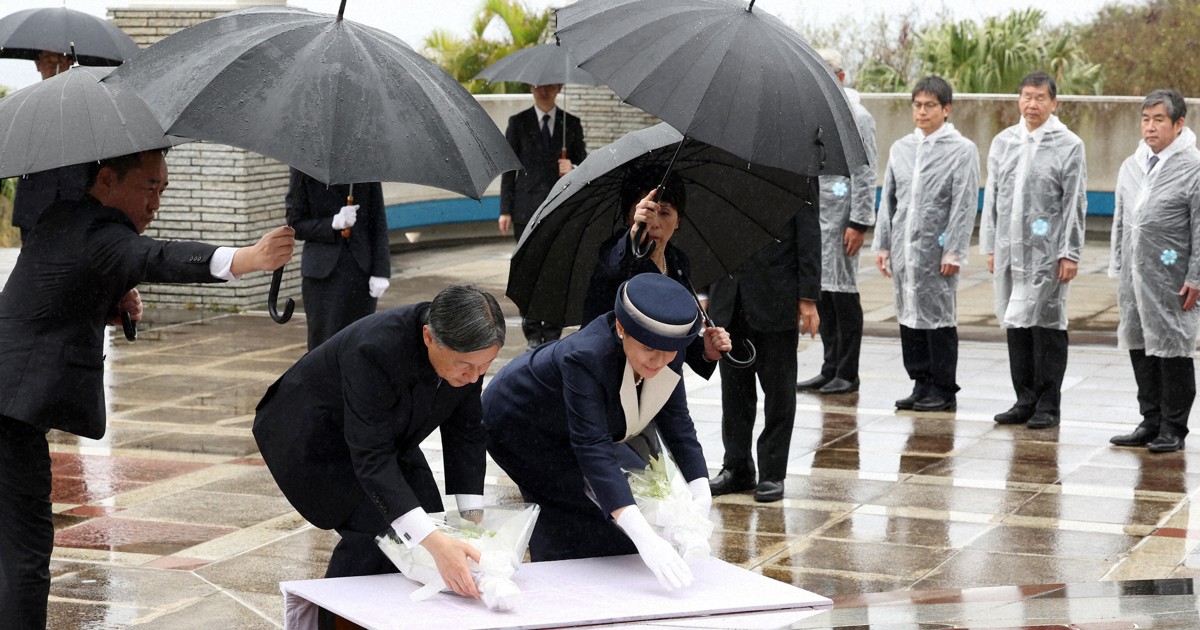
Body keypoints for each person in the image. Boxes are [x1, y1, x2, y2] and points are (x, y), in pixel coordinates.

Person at [0, 148, 295, 630]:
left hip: (10, 401)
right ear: (109, 180)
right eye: (149, 187)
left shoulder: (63, 216)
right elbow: (157, 256)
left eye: (164, 189)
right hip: (8, 410)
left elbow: (59, 288)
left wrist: (106, 298)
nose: (156, 201)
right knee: (25, 560)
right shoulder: (104, 235)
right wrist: (247, 258)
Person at [253, 285, 505, 606]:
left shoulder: (469, 351)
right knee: (379, 533)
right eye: (465, 366)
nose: (474, 377)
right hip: (313, 435)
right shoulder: (375, 349)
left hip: (383, 431)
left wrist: (471, 518)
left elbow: (466, 429)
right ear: (429, 337)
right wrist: (434, 543)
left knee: (429, 519)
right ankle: (335, 619)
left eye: (484, 366)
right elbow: (371, 457)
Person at [483, 273, 710, 592]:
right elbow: (592, 447)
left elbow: (678, 423)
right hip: (519, 422)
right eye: (648, 349)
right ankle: (561, 590)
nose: (659, 361)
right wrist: (645, 539)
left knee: (619, 510)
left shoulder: (668, 346)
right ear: (620, 329)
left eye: (668, 352)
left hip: (578, 424)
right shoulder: (586, 356)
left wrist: (702, 495)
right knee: (569, 510)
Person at [980, 72, 1087, 430]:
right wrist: (992, 246)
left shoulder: (1069, 145)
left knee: (1047, 326)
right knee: (1017, 325)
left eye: (1040, 98)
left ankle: (1048, 404)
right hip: (1011, 251)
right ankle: (1023, 398)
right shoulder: (1004, 142)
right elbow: (992, 198)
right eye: (1027, 96)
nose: (1032, 104)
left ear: (1054, 103)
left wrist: (1069, 252)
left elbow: (1075, 202)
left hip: (1048, 253)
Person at [707, 180, 822, 503]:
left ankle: (773, 472)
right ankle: (737, 468)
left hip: (776, 295)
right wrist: (704, 292)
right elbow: (711, 230)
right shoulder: (723, 165)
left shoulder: (795, 170)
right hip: (730, 298)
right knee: (735, 393)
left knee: (779, 392)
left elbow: (810, 234)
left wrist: (808, 297)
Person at [873, 76, 980, 413]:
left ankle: (943, 388)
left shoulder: (962, 150)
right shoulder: (902, 148)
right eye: (917, 105)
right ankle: (920, 382)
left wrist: (954, 251)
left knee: (938, 319)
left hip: (937, 250)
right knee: (908, 315)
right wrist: (883, 245)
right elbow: (888, 200)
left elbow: (963, 204)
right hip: (905, 246)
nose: (922, 112)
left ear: (946, 109)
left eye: (930, 105)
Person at [1108, 89, 1200, 453]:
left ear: (1178, 124)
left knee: (1172, 347)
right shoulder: (1132, 164)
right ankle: (1150, 419)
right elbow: (1121, 220)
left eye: (1159, 120)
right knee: (1140, 342)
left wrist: (1196, 275)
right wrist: (1117, 263)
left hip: (1173, 274)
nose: (1150, 127)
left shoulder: (1194, 167)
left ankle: (1173, 426)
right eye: (1145, 120)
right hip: (1135, 274)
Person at [582, 168, 731, 379]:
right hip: (607, 370)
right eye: (648, 212)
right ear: (629, 217)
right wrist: (634, 236)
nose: (654, 223)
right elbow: (615, 265)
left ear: (678, 221)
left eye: (665, 213)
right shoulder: (614, 251)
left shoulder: (678, 261)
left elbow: (671, 332)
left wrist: (706, 352)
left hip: (658, 379)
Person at [796, 49, 878, 396]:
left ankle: (848, 370)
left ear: (841, 78)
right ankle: (829, 367)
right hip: (819, 216)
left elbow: (866, 169)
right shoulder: (816, 114)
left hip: (844, 218)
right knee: (824, 295)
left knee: (844, 296)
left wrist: (859, 221)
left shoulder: (858, 116)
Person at [498, 82, 588, 350]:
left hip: (559, 209)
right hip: (526, 209)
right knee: (528, 271)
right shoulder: (518, 122)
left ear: (559, 87)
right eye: (538, 86)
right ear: (530, 88)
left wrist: (572, 166)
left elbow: (584, 164)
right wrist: (505, 209)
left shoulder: (570, 123)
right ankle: (532, 330)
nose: (543, 91)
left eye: (549, 86)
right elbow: (508, 170)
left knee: (556, 271)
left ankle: (552, 329)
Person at [285, 168, 391, 350]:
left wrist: (381, 271)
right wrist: (333, 222)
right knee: (324, 345)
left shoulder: (365, 164)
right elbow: (295, 223)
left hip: (360, 272)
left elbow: (378, 220)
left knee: (359, 343)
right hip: (323, 275)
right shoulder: (303, 168)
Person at [11, 51, 89, 242]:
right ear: (38, 64)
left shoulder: (85, 102)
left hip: (75, 203)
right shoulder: (25, 103)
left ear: (70, 63)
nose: (54, 66)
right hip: (34, 205)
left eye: (60, 61)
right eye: (48, 61)